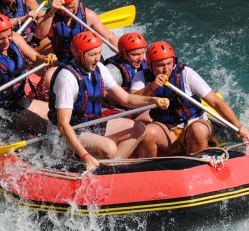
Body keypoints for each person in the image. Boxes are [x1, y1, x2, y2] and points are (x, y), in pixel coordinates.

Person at [48, 32, 169, 171]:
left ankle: (109, 168)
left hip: (91, 125)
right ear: (79, 55)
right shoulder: (67, 79)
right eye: (92, 55)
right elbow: (63, 125)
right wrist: (85, 155)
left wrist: (153, 100)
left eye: (99, 53)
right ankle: (90, 165)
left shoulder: (99, 68)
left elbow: (127, 99)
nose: (97, 58)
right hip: (68, 133)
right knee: (109, 148)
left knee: (139, 128)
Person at [131, 41, 249, 157]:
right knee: (148, 133)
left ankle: (195, 166)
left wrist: (238, 126)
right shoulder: (142, 76)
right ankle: (151, 172)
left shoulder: (186, 74)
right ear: (150, 65)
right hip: (166, 130)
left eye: (169, 63)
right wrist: (152, 87)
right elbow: (132, 101)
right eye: (161, 65)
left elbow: (215, 102)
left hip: (193, 126)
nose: (166, 69)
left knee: (198, 130)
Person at [36, 0, 119, 62]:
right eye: (71, 7)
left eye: (77, 4)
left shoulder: (88, 15)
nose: (76, 9)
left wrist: (123, 52)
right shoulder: (49, 18)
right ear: (60, 8)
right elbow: (39, 35)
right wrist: (51, 14)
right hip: (65, 60)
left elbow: (109, 38)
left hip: (88, 59)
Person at [104, 32, 149, 116]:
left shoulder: (142, 63)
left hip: (135, 105)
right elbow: (102, 92)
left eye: (143, 53)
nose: (141, 58)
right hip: (117, 109)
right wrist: (120, 95)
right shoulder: (113, 70)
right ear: (124, 54)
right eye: (135, 54)